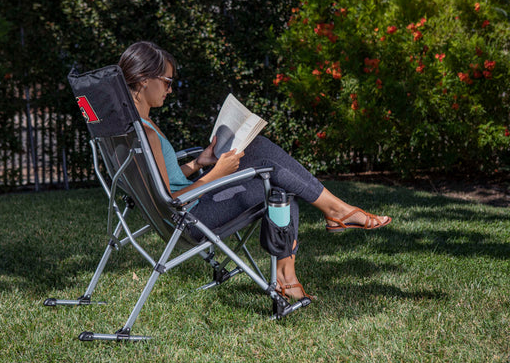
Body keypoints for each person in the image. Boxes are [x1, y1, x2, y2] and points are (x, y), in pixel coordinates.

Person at [118, 41, 391, 301]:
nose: (170, 89)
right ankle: (325, 227)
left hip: (186, 211)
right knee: (272, 174)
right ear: (144, 79)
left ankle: (299, 264)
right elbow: (170, 201)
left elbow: (163, 181)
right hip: (192, 219)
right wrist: (218, 173)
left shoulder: (135, 128)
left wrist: (200, 163)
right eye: (167, 81)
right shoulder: (145, 134)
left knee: (273, 173)